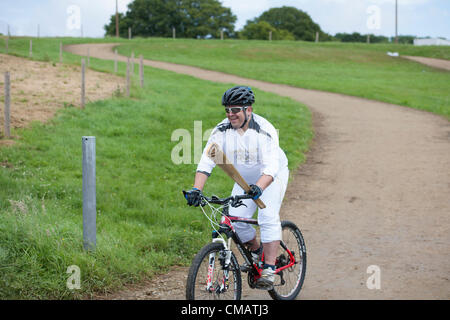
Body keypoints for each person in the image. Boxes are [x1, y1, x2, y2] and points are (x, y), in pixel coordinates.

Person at [184, 86, 289, 289]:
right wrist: (196, 190)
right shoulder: (221, 130)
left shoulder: (264, 130)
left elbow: (271, 167)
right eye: (227, 110)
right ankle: (260, 253)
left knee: (267, 216)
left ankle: (269, 268)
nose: (230, 115)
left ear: (248, 110)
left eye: (235, 110)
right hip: (242, 179)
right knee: (236, 222)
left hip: (270, 177)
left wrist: (259, 187)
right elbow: (207, 160)